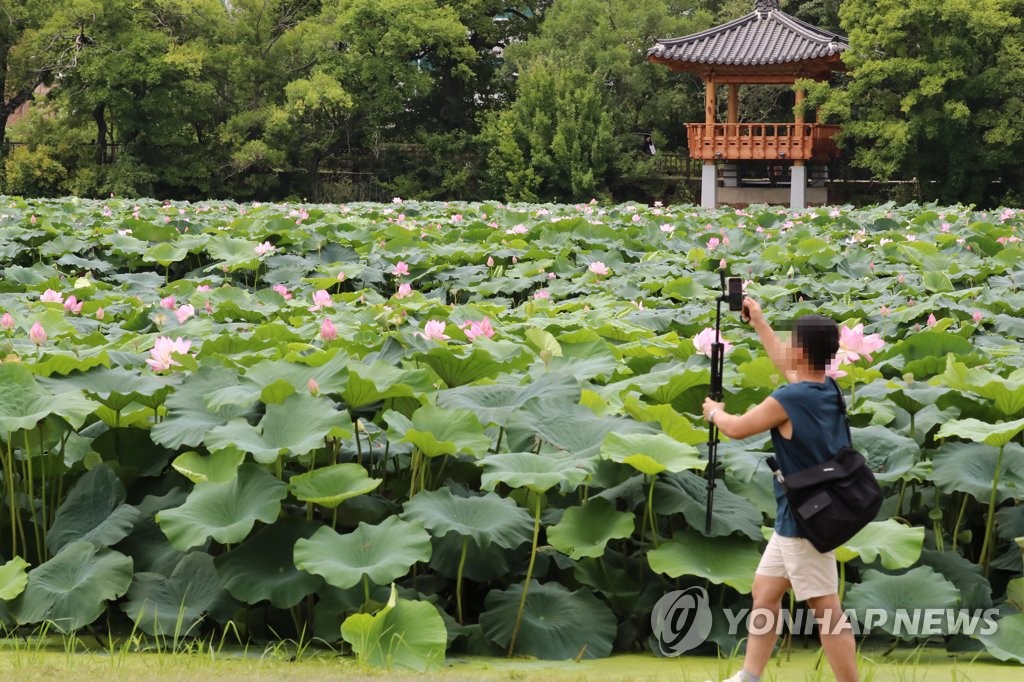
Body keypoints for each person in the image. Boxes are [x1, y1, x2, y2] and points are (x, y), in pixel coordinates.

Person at [701, 298, 858, 682]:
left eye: (790, 342)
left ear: (802, 352)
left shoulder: (790, 398)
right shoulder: (825, 389)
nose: (785, 348)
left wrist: (714, 413)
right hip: (802, 510)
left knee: (827, 610)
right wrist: (760, 324)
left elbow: (737, 429)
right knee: (765, 592)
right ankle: (749, 677)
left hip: (808, 517)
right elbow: (788, 368)